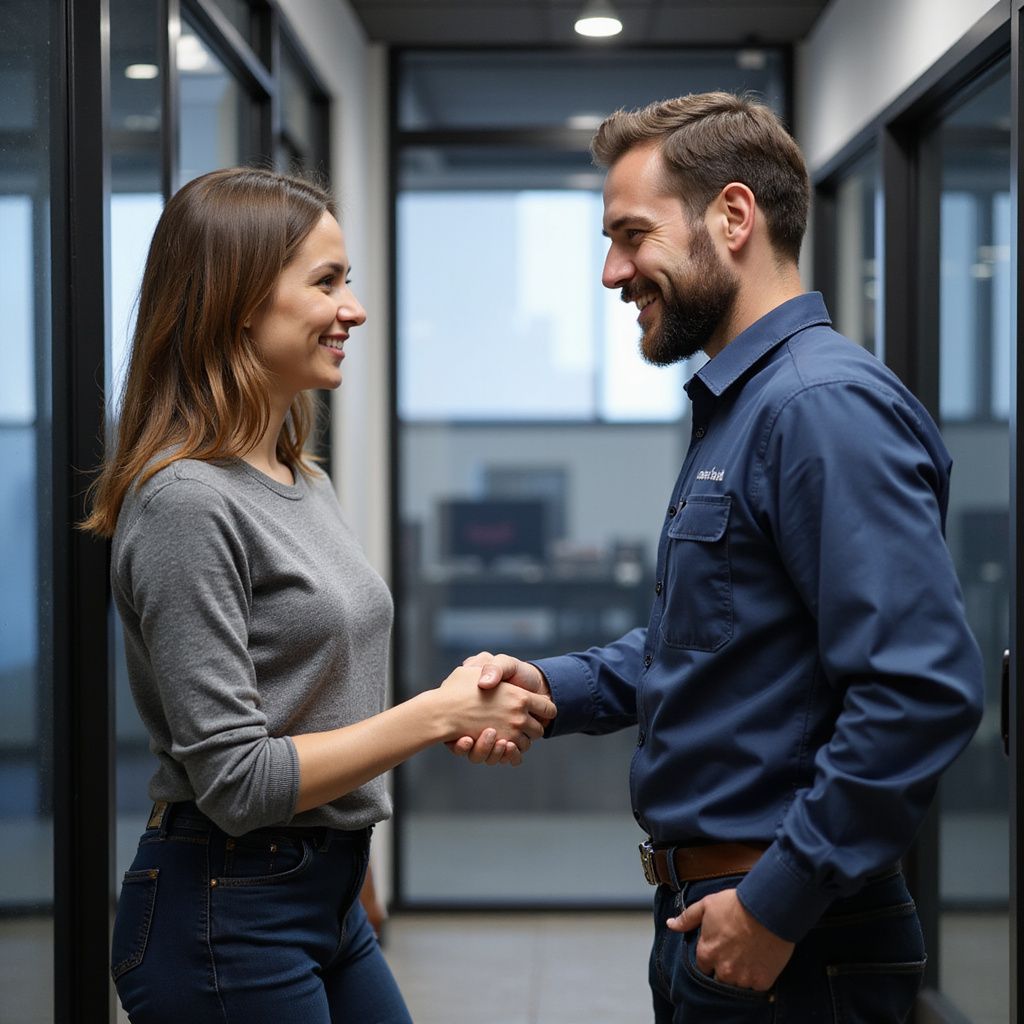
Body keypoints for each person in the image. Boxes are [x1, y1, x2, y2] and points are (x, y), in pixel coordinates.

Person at [450, 92, 985, 1022]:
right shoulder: (748, 406)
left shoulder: (817, 408)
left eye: (631, 234)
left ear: (733, 217)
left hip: (793, 938)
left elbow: (920, 691)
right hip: (723, 918)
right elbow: (707, 642)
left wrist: (777, 905)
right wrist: (550, 685)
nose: (612, 272)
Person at [83, 166, 556, 1024]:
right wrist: (440, 715)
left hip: (326, 893)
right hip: (226, 912)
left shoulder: (302, 479)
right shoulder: (186, 503)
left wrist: (355, 865)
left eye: (351, 280)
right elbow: (236, 778)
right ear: (238, 303)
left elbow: (315, 707)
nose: (356, 309)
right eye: (327, 282)